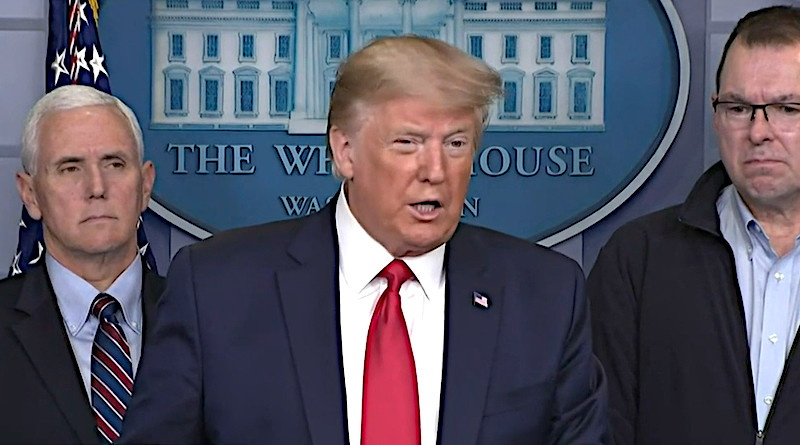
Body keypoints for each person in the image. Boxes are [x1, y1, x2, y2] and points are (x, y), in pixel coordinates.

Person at [121, 35, 608, 445]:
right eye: (408, 143)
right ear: (345, 151)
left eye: (456, 144)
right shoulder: (217, 289)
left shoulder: (545, 295)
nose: (435, 171)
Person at [589, 6, 800, 445]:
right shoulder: (638, 259)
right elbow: (600, 430)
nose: (759, 131)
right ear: (716, 115)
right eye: (739, 107)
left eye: (786, 108)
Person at [0, 84, 163, 444]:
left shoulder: (207, 322)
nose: (96, 187)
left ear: (145, 184)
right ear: (30, 194)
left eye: (115, 164)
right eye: (70, 168)